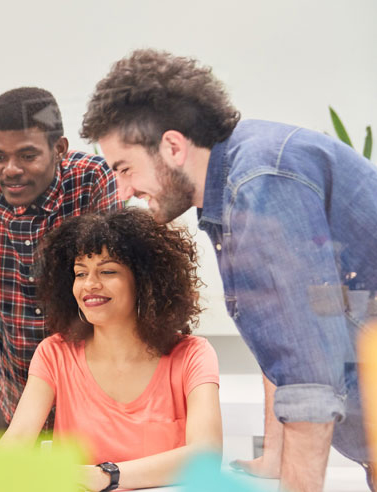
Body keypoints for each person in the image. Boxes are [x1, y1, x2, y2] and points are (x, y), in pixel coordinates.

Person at [81, 48, 377, 492]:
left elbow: (309, 384)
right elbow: (288, 339)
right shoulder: (239, 182)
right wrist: (276, 458)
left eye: (125, 169)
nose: (123, 191)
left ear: (173, 147)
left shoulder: (259, 185)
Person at [0, 208, 222, 491]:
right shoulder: (54, 354)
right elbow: (15, 443)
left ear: (145, 281)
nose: (90, 284)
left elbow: (206, 456)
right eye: (80, 273)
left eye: (107, 271)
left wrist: (106, 475)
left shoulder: (192, 356)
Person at [0, 87, 120, 433]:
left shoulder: (91, 180)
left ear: (59, 149)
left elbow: (112, 297)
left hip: (87, 402)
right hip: (15, 396)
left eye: (27, 156)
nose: (10, 170)